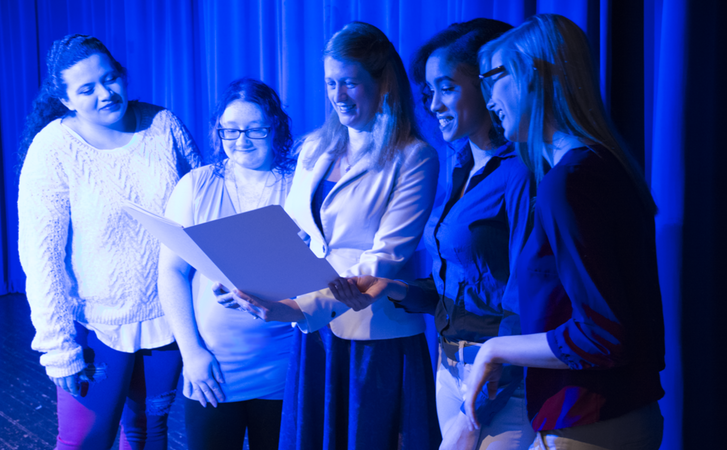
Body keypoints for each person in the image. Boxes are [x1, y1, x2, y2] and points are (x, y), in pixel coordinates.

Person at [218, 21, 441, 450]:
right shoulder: (316, 146)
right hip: (314, 332)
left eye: (350, 84)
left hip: (373, 336)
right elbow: (294, 235)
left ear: (383, 84)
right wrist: (246, 282)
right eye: (330, 83)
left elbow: (385, 259)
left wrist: (297, 306)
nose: (337, 96)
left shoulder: (415, 157)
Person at [328, 18, 536, 450]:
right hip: (450, 363)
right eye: (429, 91)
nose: (434, 104)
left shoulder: (521, 172)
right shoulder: (461, 169)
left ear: (487, 86)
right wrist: (395, 289)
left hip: (500, 381)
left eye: (447, 88)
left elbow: (526, 304)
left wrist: (474, 409)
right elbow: (454, 288)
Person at [461, 14, 665, 449]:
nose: (486, 96)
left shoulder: (569, 182)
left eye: (493, 77)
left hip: (587, 423)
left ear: (532, 75)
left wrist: (494, 350)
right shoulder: (606, 168)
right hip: (623, 415)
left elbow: (602, 336)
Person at [17, 34, 201, 449]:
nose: (105, 93)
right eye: (87, 89)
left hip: (167, 317)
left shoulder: (163, 125)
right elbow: (41, 255)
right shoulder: (54, 148)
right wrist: (58, 347)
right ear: (66, 100)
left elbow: (202, 208)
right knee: (85, 441)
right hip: (94, 328)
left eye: (111, 78)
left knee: (149, 434)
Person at [157, 78, 296, 450]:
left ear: (276, 127)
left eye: (255, 129)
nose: (241, 140)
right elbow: (172, 271)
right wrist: (192, 353)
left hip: (284, 365)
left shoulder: (300, 184)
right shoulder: (195, 185)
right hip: (213, 368)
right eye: (230, 130)